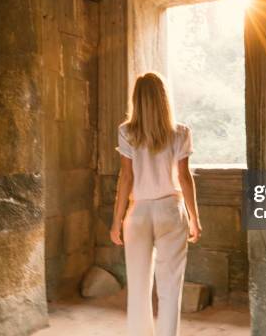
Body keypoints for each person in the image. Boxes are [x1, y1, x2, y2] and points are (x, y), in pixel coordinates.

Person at [110, 71, 203, 336]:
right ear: (164, 98)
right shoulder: (181, 133)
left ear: (136, 100)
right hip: (170, 211)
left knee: (138, 288)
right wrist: (195, 219)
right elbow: (184, 178)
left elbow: (125, 178)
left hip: (138, 213)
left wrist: (116, 221)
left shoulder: (126, 131)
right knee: (170, 287)